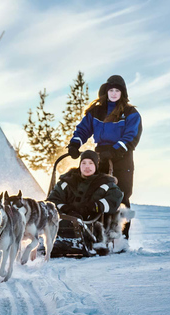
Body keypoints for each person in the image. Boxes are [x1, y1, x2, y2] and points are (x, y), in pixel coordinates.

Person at [67, 75, 142, 239]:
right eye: (111, 90)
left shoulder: (130, 113)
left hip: (122, 157)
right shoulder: (96, 111)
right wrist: (74, 144)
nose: (114, 93)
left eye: (117, 90)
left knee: (120, 193)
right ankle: (94, 233)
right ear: (106, 91)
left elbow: (131, 135)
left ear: (122, 93)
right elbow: (83, 129)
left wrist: (115, 150)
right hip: (100, 155)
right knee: (95, 191)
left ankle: (121, 237)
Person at [47, 150, 123, 256]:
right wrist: (66, 209)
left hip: (90, 223)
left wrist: (95, 206)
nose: (87, 167)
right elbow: (53, 199)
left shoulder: (105, 183)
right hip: (64, 219)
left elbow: (116, 196)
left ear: (96, 165)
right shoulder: (67, 181)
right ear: (79, 165)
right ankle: (54, 240)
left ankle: (84, 241)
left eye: (91, 163)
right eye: (84, 163)